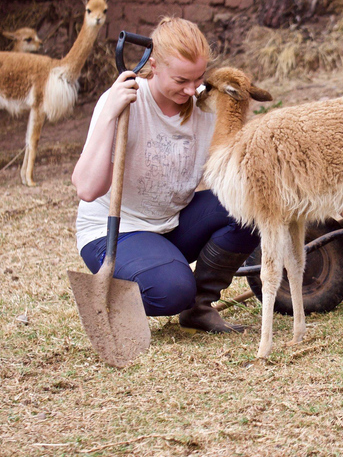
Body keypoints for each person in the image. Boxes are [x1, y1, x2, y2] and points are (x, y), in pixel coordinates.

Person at [72, 17, 259, 333]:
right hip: (115, 232)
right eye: (181, 80)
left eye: (198, 78)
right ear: (153, 65)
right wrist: (108, 113)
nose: (192, 89)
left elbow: (235, 171)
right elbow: (88, 188)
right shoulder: (125, 102)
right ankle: (162, 283)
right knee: (172, 291)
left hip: (170, 223)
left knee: (250, 204)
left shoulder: (203, 105)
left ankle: (199, 307)